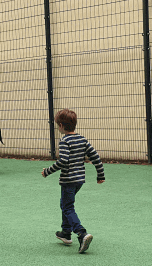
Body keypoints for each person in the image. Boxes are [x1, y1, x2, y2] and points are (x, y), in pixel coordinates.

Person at [41, 109, 105, 254]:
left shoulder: (64, 141)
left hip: (68, 180)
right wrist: (100, 175)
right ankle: (65, 233)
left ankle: (81, 233)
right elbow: (95, 156)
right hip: (79, 180)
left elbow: (63, 161)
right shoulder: (82, 139)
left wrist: (47, 171)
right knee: (65, 204)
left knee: (67, 207)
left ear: (62, 126)